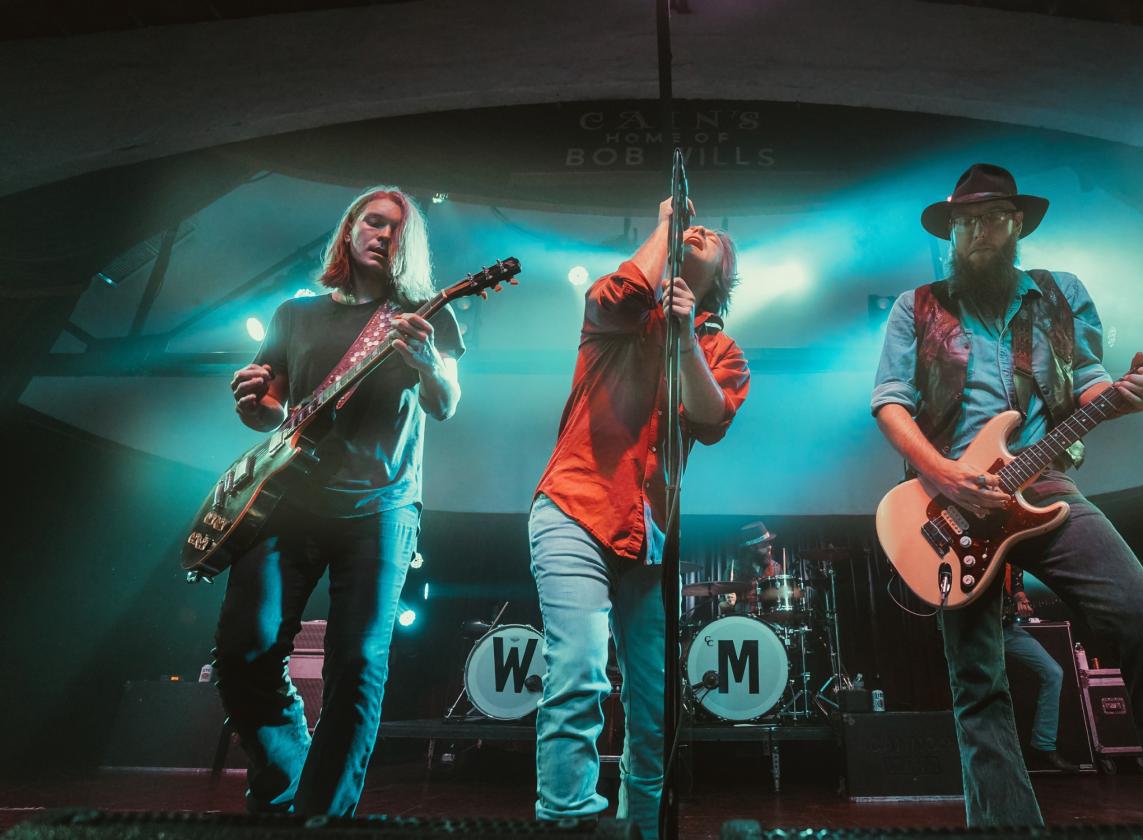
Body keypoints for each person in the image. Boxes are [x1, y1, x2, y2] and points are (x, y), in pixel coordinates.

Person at [871, 164, 1143, 825]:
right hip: (948, 503)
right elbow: (889, 403)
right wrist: (940, 472)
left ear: (1017, 223)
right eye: (965, 222)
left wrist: (1135, 393)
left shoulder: (1061, 294)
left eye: (992, 217)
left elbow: (1089, 386)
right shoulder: (917, 307)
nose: (978, 231)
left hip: (1043, 483)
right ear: (952, 232)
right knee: (977, 681)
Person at [215, 186, 469, 815]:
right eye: (373, 222)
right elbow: (272, 415)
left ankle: (323, 815)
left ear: (409, 249)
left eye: (396, 230)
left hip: (381, 507)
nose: (383, 235)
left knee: (355, 666)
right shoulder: (295, 315)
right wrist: (251, 401)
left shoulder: (424, 313)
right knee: (244, 648)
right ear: (350, 231)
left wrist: (428, 363)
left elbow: (447, 403)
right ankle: (285, 781)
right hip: (289, 500)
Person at [529, 198, 750, 839]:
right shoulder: (619, 314)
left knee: (653, 709)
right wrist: (666, 227)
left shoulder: (722, 349)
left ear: (724, 276)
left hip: (646, 539)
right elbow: (622, 292)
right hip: (574, 509)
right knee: (579, 670)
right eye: (692, 229)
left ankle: (643, 828)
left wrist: (684, 338)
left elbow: (710, 421)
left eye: (713, 236)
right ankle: (566, 823)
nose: (700, 229)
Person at [1000, 566, 1076, 772]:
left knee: (1053, 672)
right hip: (978, 631)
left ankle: (1044, 744)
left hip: (1006, 628)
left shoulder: (1010, 557)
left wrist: (1022, 601)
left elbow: (1016, 586)